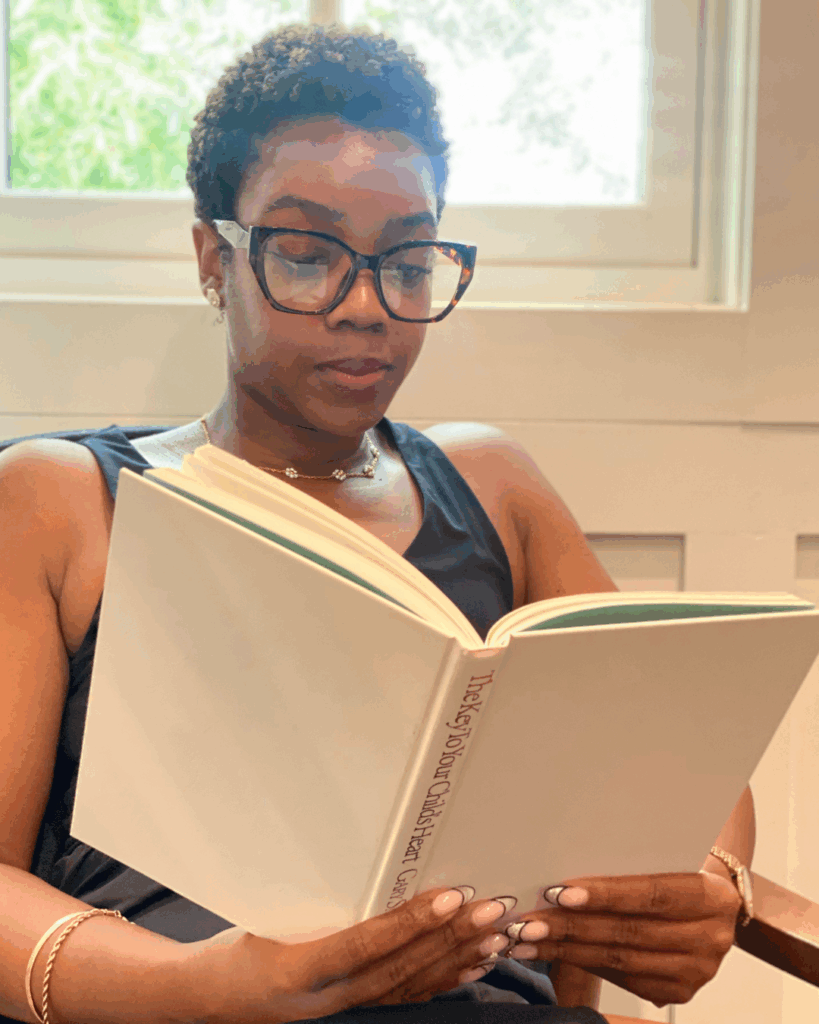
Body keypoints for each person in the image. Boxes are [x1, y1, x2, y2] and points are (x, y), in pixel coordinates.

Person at [0, 23, 753, 1024]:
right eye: (308, 255)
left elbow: (689, 754)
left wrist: (712, 883)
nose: (366, 305)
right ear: (213, 259)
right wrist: (221, 987)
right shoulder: (63, 501)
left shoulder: (490, 486)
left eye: (406, 261)